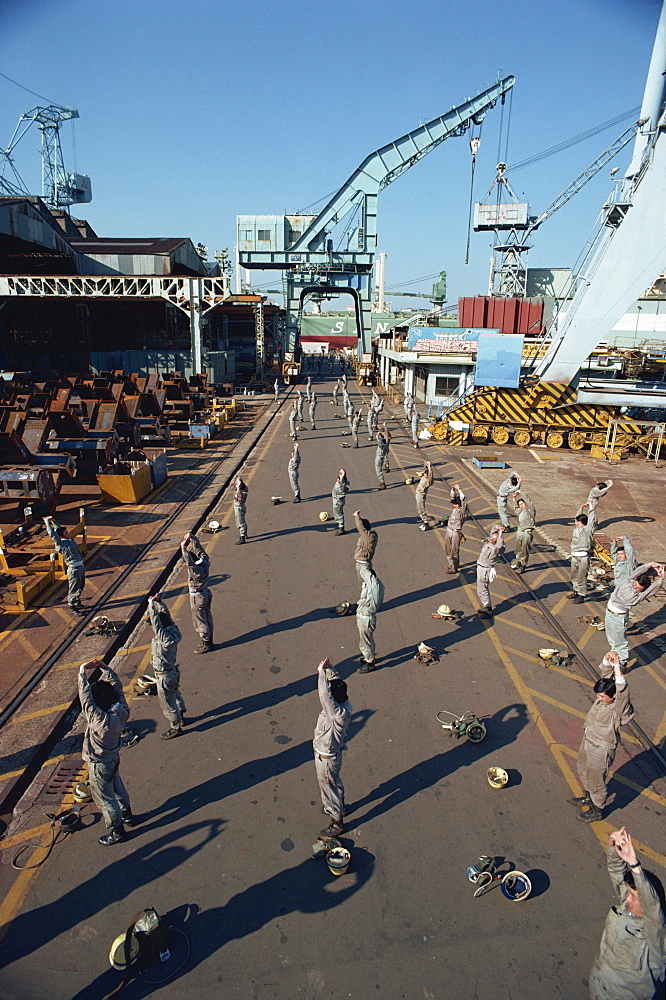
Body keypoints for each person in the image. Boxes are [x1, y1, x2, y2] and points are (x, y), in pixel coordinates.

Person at [589, 827, 666, 1000]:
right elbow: (618, 873)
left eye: (634, 896)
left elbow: (652, 909)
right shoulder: (627, 908)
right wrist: (614, 848)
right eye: (629, 894)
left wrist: (635, 866)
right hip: (599, 987)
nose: (628, 899)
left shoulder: (657, 936)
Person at [568, 652, 633, 822]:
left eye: (602, 696)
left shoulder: (617, 707)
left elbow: (622, 690)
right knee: (584, 770)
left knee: (597, 780)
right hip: (588, 740)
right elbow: (605, 677)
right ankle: (588, 797)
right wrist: (607, 660)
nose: (599, 698)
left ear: (613, 697)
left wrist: (618, 667)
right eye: (598, 695)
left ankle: (597, 809)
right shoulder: (604, 697)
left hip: (601, 748)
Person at [78, 658, 133, 845]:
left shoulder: (96, 719)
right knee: (118, 787)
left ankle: (117, 831)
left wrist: (81, 672)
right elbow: (117, 688)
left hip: (99, 764)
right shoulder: (121, 712)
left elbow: (85, 698)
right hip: (113, 757)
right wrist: (104, 668)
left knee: (105, 799)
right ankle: (128, 815)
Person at [313, 657, 352, 839]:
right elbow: (335, 684)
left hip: (326, 757)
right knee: (334, 781)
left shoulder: (335, 714)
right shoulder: (345, 706)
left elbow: (324, 695)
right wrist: (330, 669)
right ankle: (340, 805)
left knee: (328, 786)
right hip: (333, 755)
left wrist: (321, 674)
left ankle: (336, 820)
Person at [605, 562, 665, 671]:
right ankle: (615, 654)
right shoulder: (629, 581)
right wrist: (649, 565)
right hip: (609, 613)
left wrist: (660, 580)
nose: (636, 589)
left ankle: (622, 663)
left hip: (619, 617)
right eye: (636, 586)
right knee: (612, 638)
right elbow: (637, 572)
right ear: (635, 581)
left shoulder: (638, 596)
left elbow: (651, 591)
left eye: (639, 589)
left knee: (620, 641)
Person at [148, 595, 186, 739]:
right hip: (172, 672)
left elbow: (157, 623)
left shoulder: (163, 637)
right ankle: (181, 712)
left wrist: (151, 606)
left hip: (163, 675)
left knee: (167, 703)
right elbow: (167, 619)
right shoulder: (174, 632)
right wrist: (159, 603)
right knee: (175, 694)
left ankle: (175, 726)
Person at [43, 515, 86, 616]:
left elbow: (58, 529)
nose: (68, 534)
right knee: (73, 589)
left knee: (80, 586)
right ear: (61, 536)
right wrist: (47, 523)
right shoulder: (60, 544)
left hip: (80, 567)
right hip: (73, 569)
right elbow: (53, 534)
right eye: (66, 533)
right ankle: (72, 606)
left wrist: (53, 521)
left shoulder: (69, 540)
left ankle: (77, 602)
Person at [181, 533, 214, 652]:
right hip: (206, 592)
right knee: (208, 616)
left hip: (197, 596)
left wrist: (183, 548)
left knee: (199, 620)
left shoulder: (195, 571)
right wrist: (193, 538)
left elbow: (189, 562)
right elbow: (200, 551)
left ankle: (205, 642)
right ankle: (210, 639)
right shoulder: (205, 562)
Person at [356, 568, 384, 673]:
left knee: (365, 642)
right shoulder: (379, 586)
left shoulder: (374, 584)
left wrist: (363, 565)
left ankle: (370, 663)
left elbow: (365, 572)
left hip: (365, 618)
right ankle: (369, 657)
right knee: (368, 640)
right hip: (367, 617)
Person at [476, 525, 505, 618]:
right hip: (481, 567)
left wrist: (500, 534)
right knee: (480, 589)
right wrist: (499, 527)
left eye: (492, 538)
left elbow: (500, 544)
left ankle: (488, 609)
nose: (490, 538)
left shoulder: (496, 548)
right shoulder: (490, 543)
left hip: (485, 570)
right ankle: (486, 605)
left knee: (483, 590)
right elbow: (493, 529)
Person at [569, 509, 596, 604]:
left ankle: (581, 595)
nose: (577, 523)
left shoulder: (588, 530)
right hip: (574, 557)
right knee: (574, 576)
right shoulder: (576, 530)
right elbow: (576, 518)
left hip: (583, 558)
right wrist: (581, 508)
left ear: (583, 522)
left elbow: (592, 520)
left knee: (581, 578)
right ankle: (576, 591)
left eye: (579, 521)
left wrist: (591, 508)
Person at [511, 492, 536, 573]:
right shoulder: (520, 512)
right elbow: (515, 508)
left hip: (527, 533)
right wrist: (514, 498)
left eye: (522, 503)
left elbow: (529, 502)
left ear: (526, 504)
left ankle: (523, 564)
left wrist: (521, 492)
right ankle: (518, 561)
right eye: (520, 504)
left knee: (524, 549)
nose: (521, 505)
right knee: (518, 548)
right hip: (520, 532)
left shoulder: (530, 511)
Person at [445, 485, 467, 574]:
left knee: (455, 551)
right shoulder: (454, 509)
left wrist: (459, 489)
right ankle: (450, 563)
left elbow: (464, 500)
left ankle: (454, 568)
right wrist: (453, 490)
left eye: (456, 504)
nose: (454, 506)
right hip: (449, 530)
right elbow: (453, 497)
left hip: (455, 532)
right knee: (447, 549)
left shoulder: (462, 511)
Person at [353, 509, 378, 590]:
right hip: (361, 563)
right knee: (362, 585)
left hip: (364, 565)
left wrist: (356, 517)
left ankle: (365, 601)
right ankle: (363, 600)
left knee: (364, 585)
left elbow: (360, 527)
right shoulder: (370, 535)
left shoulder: (369, 537)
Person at [415, 460, 434, 530]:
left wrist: (430, 468)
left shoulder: (428, 481)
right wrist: (426, 465)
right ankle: (424, 522)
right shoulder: (424, 477)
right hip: (418, 494)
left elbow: (431, 475)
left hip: (421, 495)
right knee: (419, 509)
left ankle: (426, 523)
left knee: (422, 510)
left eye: (426, 473)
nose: (425, 474)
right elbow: (425, 470)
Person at [332, 468, 350, 536]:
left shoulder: (342, 486)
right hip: (339, 501)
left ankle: (341, 528)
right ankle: (341, 526)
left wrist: (341, 480)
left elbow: (342, 488)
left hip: (338, 501)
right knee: (339, 513)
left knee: (339, 514)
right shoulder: (347, 483)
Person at [233, 477, 249, 545]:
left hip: (239, 508)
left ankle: (242, 537)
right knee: (241, 521)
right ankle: (244, 534)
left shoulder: (241, 492)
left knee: (241, 522)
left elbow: (238, 496)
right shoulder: (245, 489)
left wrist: (238, 488)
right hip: (240, 507)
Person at [374, 425, 390, 489]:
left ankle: (383, 483)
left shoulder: (381, 447)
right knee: (379, 470)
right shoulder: (386, 446)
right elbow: (386, 439)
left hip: (378, 459)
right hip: (381, 458)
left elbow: (379, 443)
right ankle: (381, 481)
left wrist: (377, 437)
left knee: (378, 471)